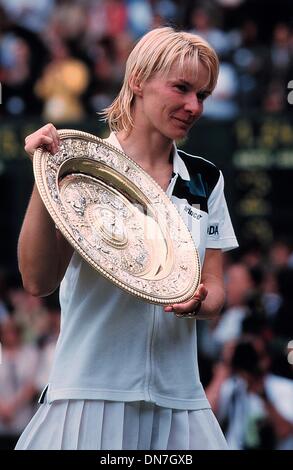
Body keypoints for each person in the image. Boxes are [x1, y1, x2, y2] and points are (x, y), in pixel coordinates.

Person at [15, 26, 238, 450]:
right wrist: (42, 177)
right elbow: (37, 281)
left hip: (181, 401)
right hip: (88, 396)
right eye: (182, 88)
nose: (193, 106)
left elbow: (216, 291)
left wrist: (199, 301)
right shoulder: (76, 166)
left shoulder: (208, 179)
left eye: (203, 96)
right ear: (137, 80)